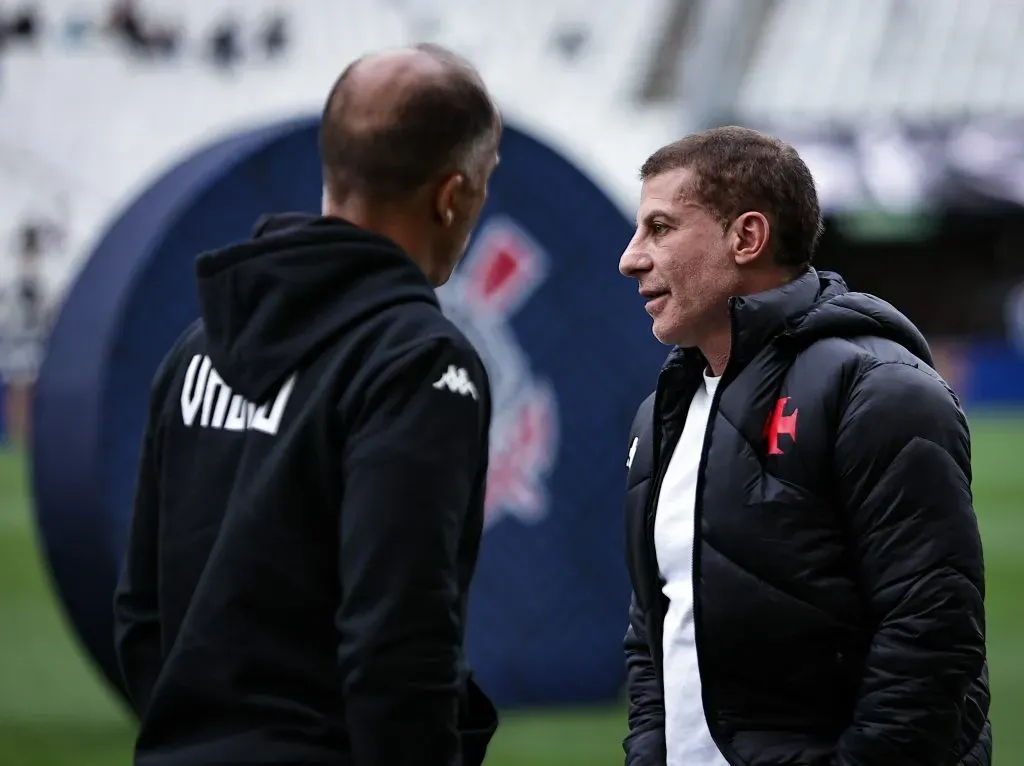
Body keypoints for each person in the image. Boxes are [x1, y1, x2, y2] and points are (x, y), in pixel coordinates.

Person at [113, 43, 502, 766]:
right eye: (484, 183)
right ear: (451, 195)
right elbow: (398, 635)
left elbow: (142, 613)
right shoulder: (418, 362)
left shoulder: (197, 345)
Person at [618, 126, 990, 766]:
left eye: (660, 228)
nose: (631, 257)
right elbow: (654, 634)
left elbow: (930, 632)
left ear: (747, 237)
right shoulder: (663, 413)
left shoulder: (879, 391)